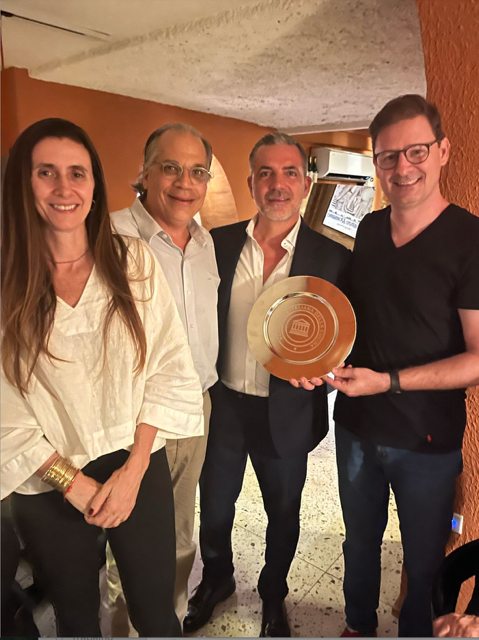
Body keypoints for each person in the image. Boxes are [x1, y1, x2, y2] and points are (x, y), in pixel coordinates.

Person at [0, 118, 204, 637]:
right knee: (75, 619)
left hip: (134, 461)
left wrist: (134, 470)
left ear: (94, 186)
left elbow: (167, 365)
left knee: (156, 615)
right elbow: (4, 405)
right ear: (23, 183)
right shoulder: (7, 283)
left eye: (77, 173)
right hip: (46, 479)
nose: (64, 188)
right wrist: (71, 482)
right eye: (46, 172)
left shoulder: (132, 262)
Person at [321, 95, 479, 637]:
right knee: (358, 541)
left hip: (427, 442)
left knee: (425, 561)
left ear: (443, 151)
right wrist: (316, 358)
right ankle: (357, 626)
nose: (402, 167)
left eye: (416, 151)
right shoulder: (368, 231)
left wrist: (386, 382)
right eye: (388, 156)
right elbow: (353, 321)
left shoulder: (470, 240)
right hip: (356, 428)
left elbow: (477, 359)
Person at [184, 132, 350, 637]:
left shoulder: (333, 257)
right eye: (266, 173)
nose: (278, 184)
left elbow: (345, 337)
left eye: (290, 173)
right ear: (251, 182)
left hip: (289, 410)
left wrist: (328, 372)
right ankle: (216, 579)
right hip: (223, 406)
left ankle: (274, 594)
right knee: (215, 508)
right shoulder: (214, 245)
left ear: (306, 184)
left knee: (283, 513)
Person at [109, 122, 219, 633]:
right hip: (131, 418)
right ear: (145, 172)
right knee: (127, 542)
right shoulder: (108, 237)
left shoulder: (205, 242)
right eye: (171, 167)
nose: (184, 182)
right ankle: (123, 629)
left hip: (195, 408)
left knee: (178, 531)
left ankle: (167, 624)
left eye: (198, 171)